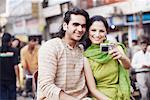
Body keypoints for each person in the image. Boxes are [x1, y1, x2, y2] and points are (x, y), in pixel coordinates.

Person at [37, 7, 90, 100]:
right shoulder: (51, 47)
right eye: (75, 24)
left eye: (83, 26)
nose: (80, 29)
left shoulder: (81, 50)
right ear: (65, 26)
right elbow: (46, 86)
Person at [83, 15, 131, 100]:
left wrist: (122, 57)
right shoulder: (86, 55)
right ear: (88, 32)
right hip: (99, 97)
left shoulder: (115, 47)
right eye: (93, 30)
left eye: (101, 31)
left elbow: (127, 66)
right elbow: (92, 89)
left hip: (120, 94)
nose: (97, 35)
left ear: (106, 33)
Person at [0, 33, 19, 100]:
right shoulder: (14, 51)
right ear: (10, 41)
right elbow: (16, 66)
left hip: (1, 79)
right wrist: (18, 80)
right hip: (11, 79)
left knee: (2, 97)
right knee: (12, 96)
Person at [131, 36, 150, 100]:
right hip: (140, 73)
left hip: (148, 72)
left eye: (145, 45)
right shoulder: (137, 54)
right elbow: (133, 65)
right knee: (143, 88)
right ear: (140, 46)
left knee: (148, 88)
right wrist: (141, 65)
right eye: (143, 45)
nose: (144, 47)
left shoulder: (149, 54)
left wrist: (147, 65)